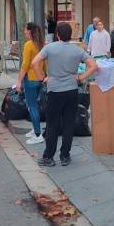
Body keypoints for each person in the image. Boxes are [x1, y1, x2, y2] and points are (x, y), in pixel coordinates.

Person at [31, 22, 98, 167]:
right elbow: (94, 65)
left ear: (57, 34)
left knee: (52, 124)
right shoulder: (77, 50)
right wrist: (81, 77)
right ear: (71, 35)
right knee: (68, 124)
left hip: (54, 90)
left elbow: (34, 62)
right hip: (72, 90)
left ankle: (48, 156)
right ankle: (65, 156)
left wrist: (42, 78)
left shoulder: (50, 48)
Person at [15, 22, 46, 145]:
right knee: (35, 106)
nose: (24, 32)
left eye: (25, 30)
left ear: (30, 31)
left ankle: (38, 134)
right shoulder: (41, 44)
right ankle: (35, 129)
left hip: (31, 79)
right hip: (40, 78)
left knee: (32, 106)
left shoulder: (28, 45)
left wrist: (19, 81)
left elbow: (25, 64)